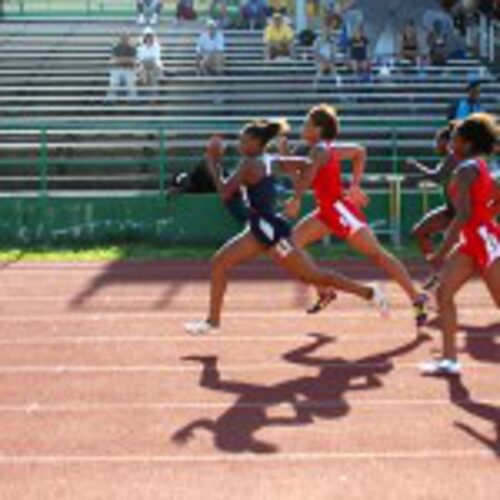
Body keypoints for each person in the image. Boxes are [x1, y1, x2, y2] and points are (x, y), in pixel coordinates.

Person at [184, 121, 389, 334]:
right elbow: (308, 163)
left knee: (314, 276)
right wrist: (300, 190)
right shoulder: (270, 160)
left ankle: (370, 293)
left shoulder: (250, 164)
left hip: (270, 232)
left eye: (243, 140)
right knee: (220, 263)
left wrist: (212, 161)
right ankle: (212, 322)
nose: (239, 144)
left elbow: (225, 192)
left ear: (256, 142)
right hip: (261, 228)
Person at [282, 104, 428, 325]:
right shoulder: (324, 148)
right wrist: (285, 154)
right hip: (326, 211)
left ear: (319, 129)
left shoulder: (321, 150)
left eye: (307, 124)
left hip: (339, 210)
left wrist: (297, 199)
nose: (302, 127)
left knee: (378, 255)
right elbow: (359, 151)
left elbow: (305, 179)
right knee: (292, 246)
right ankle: (325, 291)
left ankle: (417, 299)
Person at [420, 113, 500, 375]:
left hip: (483, 242)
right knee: (443, 294)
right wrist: (487, 217)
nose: (450, 141)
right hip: (472, 241)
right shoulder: (481, 165)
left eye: (454, 137)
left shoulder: (466, 169)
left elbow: (462, 214)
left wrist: (441, 252)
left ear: (466, 143)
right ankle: (450, 360)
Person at [406, 124, 461, 289]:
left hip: (464, 214)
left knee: (472, 252)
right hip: (451, 210)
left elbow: (437, 177)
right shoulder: (449, 158)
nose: (435, 146)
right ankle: (438, 274)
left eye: (438, 142)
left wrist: (416, 166)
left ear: (447, 142)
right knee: (419, 232)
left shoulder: (454, 157)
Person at [106, 33, 137, 101]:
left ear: (129, 39)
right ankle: (110, 101)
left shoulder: (132, 48)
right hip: (117, 69)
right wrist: (126, 59)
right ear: (120, 39)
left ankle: (133, 101)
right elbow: (114, 59)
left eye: (126, 38)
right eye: (123, 37)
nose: (125, 39)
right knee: (114, 82)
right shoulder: (116, 47)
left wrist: (121, 59)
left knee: (130, 82)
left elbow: (133, 60)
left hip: (129, 69)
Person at [137, 28, 163, 94]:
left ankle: (153, 97)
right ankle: (147, 93)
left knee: (152, 72)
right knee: (143, 71)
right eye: (147, 36)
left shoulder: (156, 46)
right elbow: (141, 58)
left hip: (154, 65)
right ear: (145, 37)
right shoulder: (140, 47)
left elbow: (156, 57)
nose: (148, 38)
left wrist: (147, 60)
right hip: (144, 65)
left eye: (150, 36)